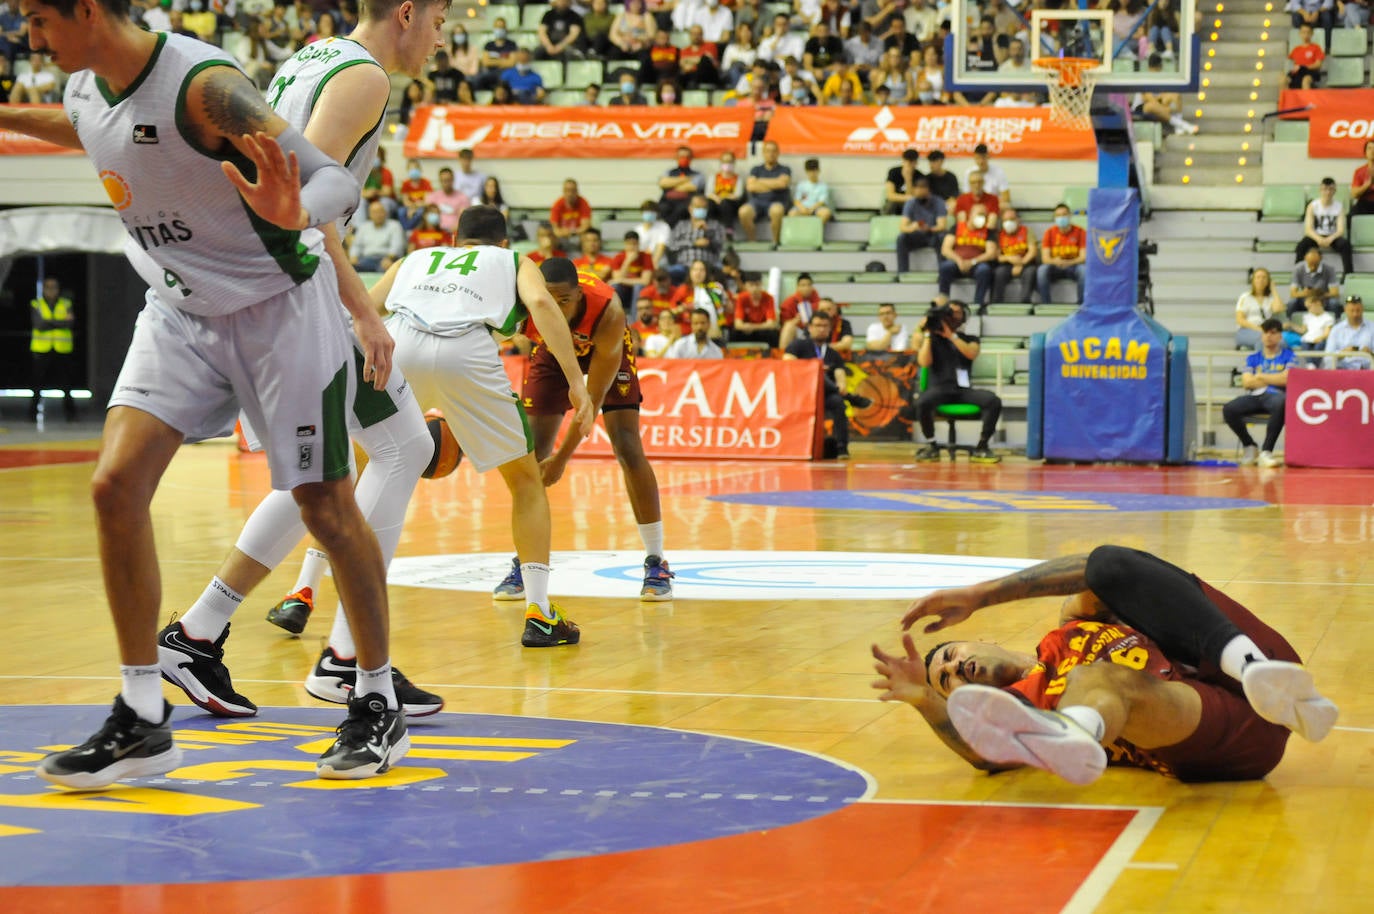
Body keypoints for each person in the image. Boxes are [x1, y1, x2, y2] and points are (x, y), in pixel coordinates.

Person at [12, 0, 409, 788]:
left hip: (277, 309)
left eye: (35, 19)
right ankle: (142, 717)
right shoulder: (89, 88)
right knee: (114, 485)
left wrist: (298, 208)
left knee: (324, 504)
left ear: (86, 10)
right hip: (181, 309)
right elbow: (83, 128)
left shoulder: (201, 84)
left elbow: (331, 178)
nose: (27, 37)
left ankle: (375, 697)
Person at [161, 2, 458, 727]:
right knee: (398, 448)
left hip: (280, 275)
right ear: (409, 13)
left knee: (335, 464)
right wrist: (360, 308)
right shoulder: (365, 78)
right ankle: (344, 659)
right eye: (442, 18)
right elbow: (296, 194)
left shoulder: (314, 55)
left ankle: (200, 633)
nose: (443, 35)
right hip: (299, 280)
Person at [872, 546, 1338, 784]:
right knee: (1097, 678)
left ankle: (1251, 666)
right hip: (1217, 735)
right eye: (948, 682)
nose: (957, 669)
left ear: (983, 638)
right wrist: (923, 700)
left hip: (1264, 670)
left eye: (952, 656)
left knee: (1113, 564)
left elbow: (1103, 570)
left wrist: (982, 593)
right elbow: (982, 754)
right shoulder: (1020, 710)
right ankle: (1076, 732)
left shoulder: (1070, 625)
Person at [376, 206, 594, 646]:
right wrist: (576, 381)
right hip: (466, 352)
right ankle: (539, 612)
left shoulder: (414, 257)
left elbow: (361, 307)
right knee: (526, 482)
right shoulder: (513, 262)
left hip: (400, 345)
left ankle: (303, 592)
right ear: (504, 242)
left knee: (363, 473)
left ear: (455, 239)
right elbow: (540, 304)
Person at [495, 258, 676, 601]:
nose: (557, 308)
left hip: (605, 349)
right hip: (552, 352)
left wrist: (563, 459)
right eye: (550, 301)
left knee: (626, 444)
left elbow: (589, 403)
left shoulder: (608, 311)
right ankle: (527, 561)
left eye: (564, 300)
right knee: (532, 457)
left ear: (578, 294)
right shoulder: (521, 304)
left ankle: (656, 560)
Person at [913, 300, 1002, 464]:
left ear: (964, 316)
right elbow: (924, 362)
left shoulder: (970, 338)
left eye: (957, 312)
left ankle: (982, 447)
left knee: (993, 401)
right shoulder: (932, 339)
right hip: (939, 388)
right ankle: (932, 445)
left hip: (962, 390)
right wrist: (926, 332)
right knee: (922, 402)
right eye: (950, 312)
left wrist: (952, 336)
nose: (953, 315)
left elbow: (971, 353)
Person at [783, 310, 854, 460]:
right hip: (801, 392)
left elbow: (839, 372)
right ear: (810, 328)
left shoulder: (833, 353)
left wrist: (841, 385)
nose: (821, 329)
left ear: (829, 329)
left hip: (824, 394)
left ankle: (842, 448)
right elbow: (787, 362)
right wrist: (813, 368)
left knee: (839, 402)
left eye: (825, 326)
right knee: (818, 374)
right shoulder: (798, 345)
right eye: (817, 325)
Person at [1223, 318, 1294, 468]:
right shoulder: (1252, 358)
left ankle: (1266, 452)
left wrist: (1261, 376)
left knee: (1282, 402)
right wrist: (1274, 378)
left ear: (1280, 336)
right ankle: (1249, 446)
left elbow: (1287, 379)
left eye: (1273, 333)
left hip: (1276, 397)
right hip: (1255, 396)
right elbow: (1247, 382)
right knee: (1229, 409)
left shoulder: (1289, 356)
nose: (1268, 336)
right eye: (1265, 332)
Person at [28, 275, 77, 422]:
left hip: (62, 349)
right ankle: (32, 414)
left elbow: (69, 324)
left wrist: (49, 322)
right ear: (43, 289)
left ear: (58, 289)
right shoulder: (36, 304)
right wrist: (60, 322)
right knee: (37, 384)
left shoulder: (66, 303)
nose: (51, 291)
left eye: (54, 287)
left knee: (66, 384)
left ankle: (71, 414)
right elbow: (39, 325)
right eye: (48, 287)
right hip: (41, 349)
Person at [937, 204, 996, 310]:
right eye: (979, 215)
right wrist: (959, 260)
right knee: (945, 267)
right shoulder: (957, 227)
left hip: (976, 264)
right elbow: (945, 249)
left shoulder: (988, 232)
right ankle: (943, 301)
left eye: (984, 216)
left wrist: (972, 262)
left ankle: (978, 304)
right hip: (957, 262)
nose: (982, 218)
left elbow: (991, 253)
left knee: (985, 270)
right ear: (970, 215)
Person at [1296, 177, 1353, 276]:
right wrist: (1319, 239)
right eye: (1325, 189)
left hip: (1332, 236)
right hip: (1316, 235)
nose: (1328, 192)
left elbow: (1340, 230)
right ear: (1320, 190)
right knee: (1301, 246)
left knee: (1346, 246)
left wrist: (1329, 239)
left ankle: (1348, 274)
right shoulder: (1313, 206)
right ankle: (1298, 273)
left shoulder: (1339, 206)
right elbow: (1308, 229)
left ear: (1334, 191)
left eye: (1331, 189)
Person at [738, 139, 792, 244]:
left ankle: (775, 242)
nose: (771, 154)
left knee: (776, 211)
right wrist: (774, 184)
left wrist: (759, 182)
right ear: (763, 153)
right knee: (743, 212)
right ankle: (752, 241)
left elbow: (782, 184)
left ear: (778, 153)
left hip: (777, 201)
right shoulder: (756, 169)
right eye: (768, 151)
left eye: (773, 151)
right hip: (757, 202)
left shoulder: (785, 169)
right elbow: (750, 187)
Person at [1036, 204, 1087, 305]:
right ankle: (1046, 304)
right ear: (1055, 218)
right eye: (1058, 215)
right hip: (1055, 266)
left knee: (1084, 270)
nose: (1061, 218)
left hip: (1073, 266)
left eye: (1064, 214)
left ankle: (1081, 304)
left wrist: (1069, 262)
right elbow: (1045, 259)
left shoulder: (1081, 232)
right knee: (1042, 270)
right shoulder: (1049, 233)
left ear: (1070, 215)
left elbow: (1083, 257)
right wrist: (1055, 261)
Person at [895, 177, 947, 274]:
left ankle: (943, 271)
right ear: (914, 189)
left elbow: (942, 225)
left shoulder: (938, 202)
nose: (920, 190)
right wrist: (913, 227)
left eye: (923, 187)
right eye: (918, 187)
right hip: (917, 235)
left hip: (933, 235)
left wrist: (930, 228)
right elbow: (902, 227)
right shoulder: (910, 203)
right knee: (901, 238)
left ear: (929, 189)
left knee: (942, 237)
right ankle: (902, 273)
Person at [666, 193, 726, 274]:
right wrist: (693, 243)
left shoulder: (715, 225)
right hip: (684, 266)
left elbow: (720, 247)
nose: (701, 210)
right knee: (672, 272)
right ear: (690, 208)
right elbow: (672, 246)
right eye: (698, 207)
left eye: (703, 208)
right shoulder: (681, 225)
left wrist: (708, 233)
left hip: (708, 267)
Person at [990, 207, 1037, 306]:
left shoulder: (1027, 231)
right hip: (1007, 264)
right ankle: (996, 303)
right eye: (1006, 220)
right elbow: (997, 256)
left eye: (1012, 219)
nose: (1009, 222)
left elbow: (1032, 252)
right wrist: (1009, 258)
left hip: (1026, 262)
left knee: (1030, 272)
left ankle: (1025, 303)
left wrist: (1021, 264)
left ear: (1018, 220)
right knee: (999, 272)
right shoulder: (999, 235)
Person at [1286, 244, 1340, 319]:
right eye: (1310, 264)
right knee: (1292, 303)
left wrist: (1320, 294)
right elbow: (1293, 293)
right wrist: (1305, 293)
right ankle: (1289, 322)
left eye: (1315, 264)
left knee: (1334, 303)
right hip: (1305, 299)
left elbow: (1335, 293)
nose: (1313, 267)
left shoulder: (1329, 269)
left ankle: (1336, 323)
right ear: (1305, 258)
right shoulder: (1298, 269)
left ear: (1320, 259)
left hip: (1323, 299)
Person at [1235, 267, 1282, 350]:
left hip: (1267, 331)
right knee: (1264, 340)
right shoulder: (1245, 297)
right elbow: (1240, 320)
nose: (1261, 280)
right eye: (1258, 277)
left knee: (1282, 342)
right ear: (1253, 280)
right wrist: (1258, 329)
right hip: (1246, 331)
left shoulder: (1270, 298)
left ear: (1268, 281)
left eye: (1264, 277)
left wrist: (1273, 289)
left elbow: (1278, 309)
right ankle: (1262, 363)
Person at [658, 145, 706, 227]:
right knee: (662, 208)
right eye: (681, 156)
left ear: (691, 158)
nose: (684, 158)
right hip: (667, 201)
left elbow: (692, 187)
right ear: (676, 157)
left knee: (681, 209)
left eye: (687, 156)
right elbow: (663, 183)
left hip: (686, 202)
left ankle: (670, 228)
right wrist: (686, 179)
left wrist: (672, 184)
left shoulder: (698, 174)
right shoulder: (669, 172)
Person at [1324, 293, 1374, 369]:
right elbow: (1327, 358)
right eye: (1352, 311)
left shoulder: (1372, 328)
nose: (1355, 314)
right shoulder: (1336, 330)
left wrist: (1370, 353)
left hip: (1368, 371)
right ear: (1345, 310)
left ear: (1362, 309)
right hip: (1343, 371)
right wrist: (1342, 354)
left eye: (1358, 310)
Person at [731, 270, 779, 347]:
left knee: (773, 334)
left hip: (762, 330)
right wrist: (746, 327)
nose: (755, 288)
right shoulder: (741, 298)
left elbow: (771, 324)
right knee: (735, 333)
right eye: (751, 285)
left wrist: (752, 327)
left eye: (757, 285)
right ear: (745, 286)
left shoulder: (769, 298)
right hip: (747, 331)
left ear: (761, 284)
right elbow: (738, 324)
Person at [789, 157, 834, 225]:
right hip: (803, 208)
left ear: (818, 171)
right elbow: (797, 200)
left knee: (826, 213)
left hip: (816, 209)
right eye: (810, 171)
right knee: (792, 213)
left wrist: (811, 209)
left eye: (814, 170)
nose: (812, 173)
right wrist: (802, 209)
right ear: (806, 171)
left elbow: (821, 202)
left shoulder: (823, 186)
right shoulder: (801, 185)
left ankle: (815, 233)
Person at [549, 178, 593, 246]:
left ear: (577, 191)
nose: (570, 194)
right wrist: (562, 232)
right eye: (567, 190)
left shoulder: (583, 203)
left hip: (578, 236)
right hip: (562, 237)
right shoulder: (557, 204)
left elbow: (585, 226)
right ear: (563, 191)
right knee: (550, 238)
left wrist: (572, 232)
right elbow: (554, 228)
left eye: (572, 190)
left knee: (589, 238)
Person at [1287, 22, 1324, 90]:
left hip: (1310, 72)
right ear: (1300, 34)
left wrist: (1304, 67)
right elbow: (1290, 64)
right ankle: (1284, 100)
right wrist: (1294, 68)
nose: (1306, 35)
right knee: (1283, 79)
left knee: (1305, 80)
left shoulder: (1316, 48)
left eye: (1308, 32)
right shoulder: (1296, 49)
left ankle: (1306, 100)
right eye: (1303, 32)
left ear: (1312, 34)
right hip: (1297, 72)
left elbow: (1318, 64)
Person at [1350, 140, 1374, 217]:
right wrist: (1368, 185)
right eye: (1369, 148)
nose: (1372, 151)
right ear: (1365, 153)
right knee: (1351, 215)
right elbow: (1354, 194)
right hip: (1364, 205)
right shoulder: (1359, 171)